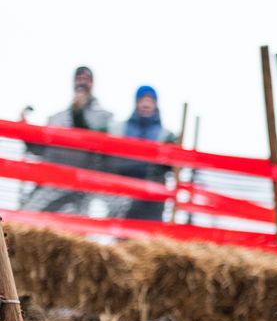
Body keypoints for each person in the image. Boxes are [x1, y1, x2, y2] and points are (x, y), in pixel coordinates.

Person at [21, 66, 115, 215]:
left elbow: (101, 151)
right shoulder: (55, 118)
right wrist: (25, 132)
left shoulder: (105, 118)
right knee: (27, 220)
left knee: (73, 230)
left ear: (92, 84)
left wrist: (78, 115)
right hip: (50, 185)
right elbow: (41, 151)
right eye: (79, 78)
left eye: (86, 79)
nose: (82, 82)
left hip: (82, 191)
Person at [112, 85, 177, 221]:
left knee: (149, 239)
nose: (146, 104)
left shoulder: (166, 136)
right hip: (123, 194)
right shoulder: (119, 129)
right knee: (121, 237)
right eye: (143, 100)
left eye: (150, 100)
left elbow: (172, 167)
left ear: (155, 104)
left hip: (152, 200)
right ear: (136, 103)